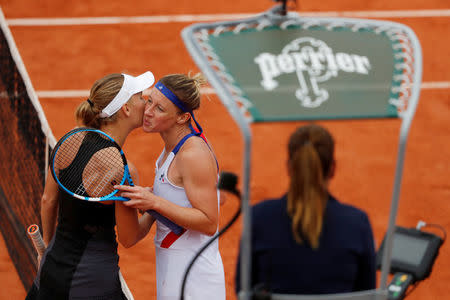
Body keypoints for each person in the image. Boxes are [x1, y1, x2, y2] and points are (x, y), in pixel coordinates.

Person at [26, 71, 155, 300]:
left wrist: (44, 249)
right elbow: (129, 237)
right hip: (93, 287)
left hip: (50, 271)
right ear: (126, 108)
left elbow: (48, 200)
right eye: (140, 97)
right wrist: (155, 207)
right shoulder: (122, 169)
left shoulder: (70, 139)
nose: (145, 102)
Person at [115, 73, 226, 300]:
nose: (148, 111)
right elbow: (216, 196)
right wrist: (153, 198)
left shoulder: (192, 154)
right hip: (173, 271)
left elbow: (209, 222)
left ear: (182, 117)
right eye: (149, 101)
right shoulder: (171, 148)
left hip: (194, 280)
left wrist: (155, 201)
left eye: (160, 109)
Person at [235, 123, 376, 295]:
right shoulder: (357, 223)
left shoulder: (259, 217)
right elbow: (367, 294)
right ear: (333, 168)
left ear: (289, 167)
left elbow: (243, 290)